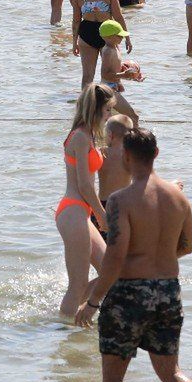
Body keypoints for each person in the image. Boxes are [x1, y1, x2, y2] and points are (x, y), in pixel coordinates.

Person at [73, 126, 192, 382]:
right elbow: (186, 247)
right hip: (168, 292)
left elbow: (115, 257)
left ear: (126, 157)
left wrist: (93, 302)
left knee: (112, 378)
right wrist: (155, 256)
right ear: (156, 154)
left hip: (130, 295)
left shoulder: (122, 200)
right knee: (171, 374)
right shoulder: (179, 198)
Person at [57, 83, 115, 320]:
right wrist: (102, 214)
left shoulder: (89, 135)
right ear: (97, 109)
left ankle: (75, 317)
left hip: (81, 213)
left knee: (111, 273)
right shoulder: (80, 137)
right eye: (108, 110)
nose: (110, 115)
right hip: (73, 212)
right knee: (78, 283)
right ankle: (64, 329)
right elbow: (84, 185)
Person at [74, 0, 128, 89]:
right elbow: (118, 17)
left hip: (86, 33)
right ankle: (113, 107)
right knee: (113, 74)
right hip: (108, 33)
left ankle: (86, 107)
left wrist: (74, 42)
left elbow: (76, 21)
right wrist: (127, 38)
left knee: (87, 77)